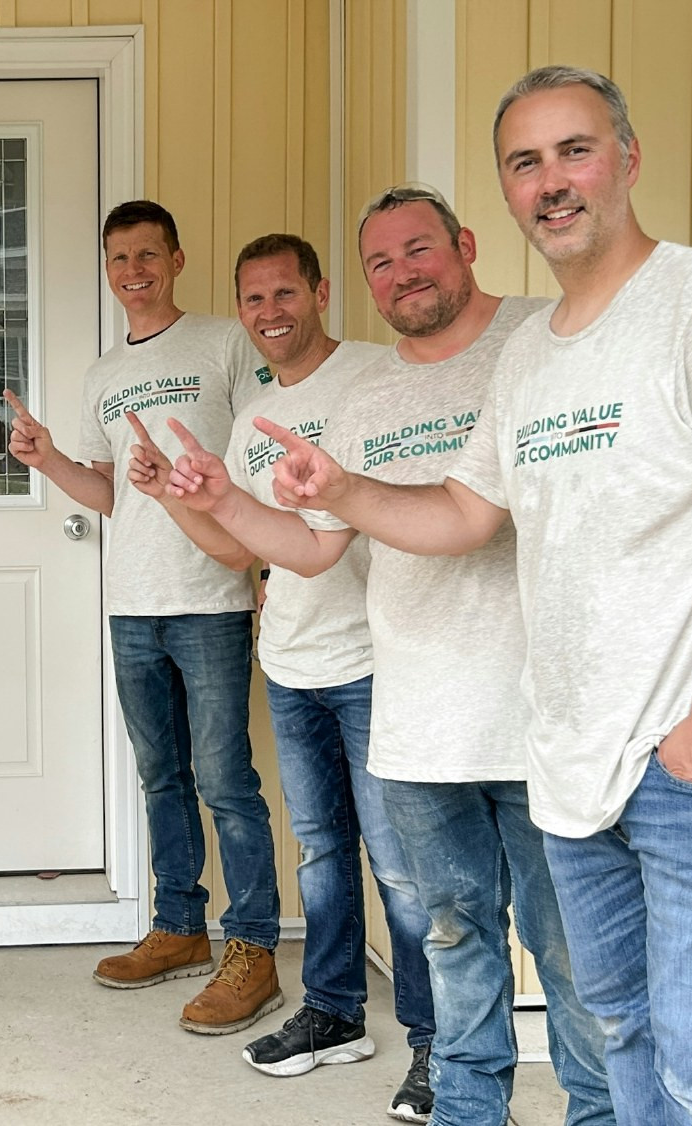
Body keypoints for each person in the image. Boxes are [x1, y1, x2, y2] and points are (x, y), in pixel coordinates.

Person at [262, 67, 692, 1124]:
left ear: (628, 160)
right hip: (567, 756)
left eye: (575, 150)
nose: (552, 181)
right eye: (524, 161)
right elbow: (464, 513)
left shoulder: (682, 306)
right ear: (506, 193)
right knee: (621, 1022)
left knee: (684, 1052)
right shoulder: (533, 361)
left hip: (670, 758)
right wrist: (342, 489)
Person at [155, 187, 611, 1126]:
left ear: (466, 246)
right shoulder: (367, 398)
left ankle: (595, 1113)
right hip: (417, 719)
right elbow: (316, 546)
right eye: (383, 262)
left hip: (542, 715)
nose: (403, 273)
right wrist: (216, 499)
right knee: (455, 940)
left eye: (419, 250)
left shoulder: (541, 341)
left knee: (569, 951)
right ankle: (468, 1107)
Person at [127, 233, 436, 1120]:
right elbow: (239, 546)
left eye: (284, 294)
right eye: (253, 299)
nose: (269, 313)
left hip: (375, 659)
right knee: (327, 854)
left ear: (321, 291)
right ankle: (335, 1013)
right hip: (292, 661)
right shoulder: (253, 408)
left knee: (405, 871)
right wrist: (172, 498)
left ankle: (434, 1042)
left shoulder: (376, 375)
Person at [6, 199, 282, 1034]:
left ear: (177, 259)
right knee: (162, 777)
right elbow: (111, 495)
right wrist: (48, 458)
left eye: (148, 254)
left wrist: (266, 561)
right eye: (119, 257)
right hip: (131, 604)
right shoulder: (101, 374)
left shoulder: (225, 343)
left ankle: (254, 947)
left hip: (210, 597)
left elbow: (266, 451)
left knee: (228, 783)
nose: (134, 270)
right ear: (108, 268)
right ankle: (178, 929)